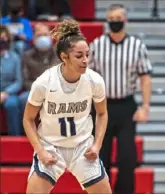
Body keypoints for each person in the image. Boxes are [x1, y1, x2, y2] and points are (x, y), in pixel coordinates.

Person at [23, 19, 112, 194]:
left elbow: (102, 113)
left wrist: (97, 145)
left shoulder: (95, 80)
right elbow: (28, 119)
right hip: (51, 146)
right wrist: (40, 151)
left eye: (87, 54)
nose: (85, 60)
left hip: (82, 147)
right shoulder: (44, 82)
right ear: (64, 57)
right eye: (79, 56)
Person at [88, 4, 152, 194]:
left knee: (127, 157)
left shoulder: (137, 45)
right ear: (107, 21)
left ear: (125, 20)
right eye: (111, 19)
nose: (115, 22)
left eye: (118, 19)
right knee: (101, 156)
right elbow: (87, 77)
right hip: (102, 107)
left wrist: (145, 107)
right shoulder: (97, 45)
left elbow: (145, 77)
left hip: (126, 105)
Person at [20, 23, 59, 122]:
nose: (43, 38)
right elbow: (25, 79)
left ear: (50, 37)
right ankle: (25, 133)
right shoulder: (27, 56)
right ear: (34, 38)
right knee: (23, 99)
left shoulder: (59, 54)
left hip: (56, 90)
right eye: (39, 35)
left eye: (45, 35)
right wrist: (39, 90)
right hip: (33, 89)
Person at [0, 26, 23, 136]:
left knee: (12, 104)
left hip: (9, 92)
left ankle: (15, 137)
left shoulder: (15, 58)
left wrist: (6, 93)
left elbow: (19, 82)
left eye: (3, 38)